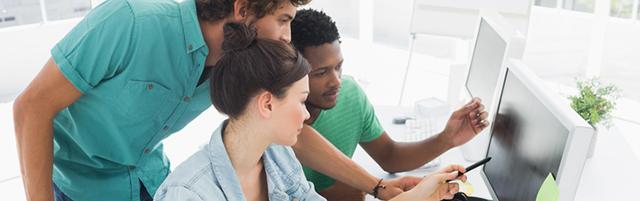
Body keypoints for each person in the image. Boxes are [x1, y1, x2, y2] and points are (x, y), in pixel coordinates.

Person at [12, 0, 416, 200]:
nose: (288, 37)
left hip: (146, 179)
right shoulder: (133, 22)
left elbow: (283, 127)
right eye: (283, 20)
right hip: (73, 186)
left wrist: (379, 187)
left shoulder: (236, 56)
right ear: (242, 9)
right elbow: (31, 107)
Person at [155, 22, 468, 201]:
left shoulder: (277, 156)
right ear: (267, 104)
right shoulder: (190, 194)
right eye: (300, 101)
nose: (306, 116)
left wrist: (424, 192)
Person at [290, 9, 490, 200]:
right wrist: (368, 189)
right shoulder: (277, 124)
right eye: (321, 73)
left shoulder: (350, 95)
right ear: (291, 71)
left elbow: (389, 156)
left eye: (338, 67)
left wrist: (447, 139)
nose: (336, 81)